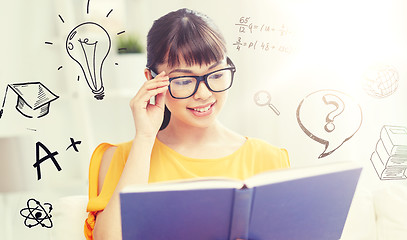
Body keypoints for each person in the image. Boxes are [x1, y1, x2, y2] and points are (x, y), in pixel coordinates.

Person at [84, 8, 290, 240]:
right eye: (183, 80)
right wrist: (144, 138)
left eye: (215, 74)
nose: (203, 93)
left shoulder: (269, 158)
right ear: (152, 80)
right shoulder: (118, 158)